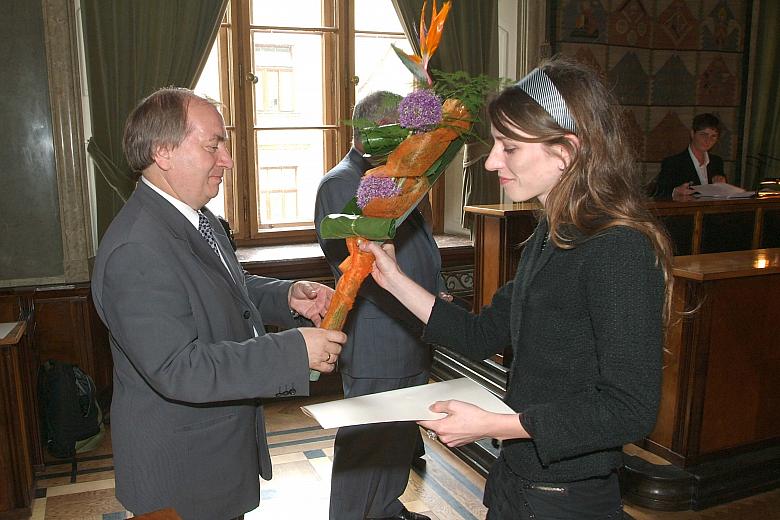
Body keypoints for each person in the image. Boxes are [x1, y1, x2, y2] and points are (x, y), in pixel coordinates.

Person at [359, 58, 674, 520]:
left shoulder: (617, 249)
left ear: (566, 149)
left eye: (509, 147)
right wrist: (394, 280)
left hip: (566, 497)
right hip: (521, 481)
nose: (491, 162)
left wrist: (495, 424)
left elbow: (630, 408)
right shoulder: (551, 233)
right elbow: (483, 333)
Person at [91, 87, 346, 520]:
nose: (227, 159)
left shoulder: (196, 217)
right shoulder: (137, 247)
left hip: (213, 457)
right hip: (182, 473)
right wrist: (292, 350)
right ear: (164, 151)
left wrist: (285, 296)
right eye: (213, 145)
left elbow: (223, 287)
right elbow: (178, 368)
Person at [314, 91, 445, 520]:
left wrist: (434, 294)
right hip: (379, 339)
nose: (413, 143)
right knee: (365, 449)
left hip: (412, 332)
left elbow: (419, 248)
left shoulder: (395, 177)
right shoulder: (342, 184)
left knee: (396, 442)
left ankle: (386, 510)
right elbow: (358, 268)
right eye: (405, 134)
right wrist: (419, 307)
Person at [655, 113, 726, 198]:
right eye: (703, 134)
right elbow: (659, 192)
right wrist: (675, 191)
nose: (708, 140)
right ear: (692, 134)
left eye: (713, 136)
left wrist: (722, 185)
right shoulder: (673, 163)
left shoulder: (717, 162)